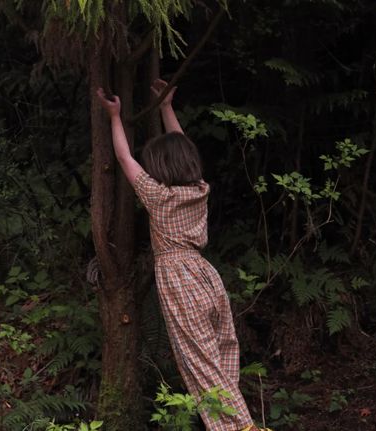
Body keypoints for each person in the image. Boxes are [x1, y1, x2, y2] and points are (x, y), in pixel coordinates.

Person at [96, 80, 268, 431]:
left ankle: (248, 429)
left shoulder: (158, 197)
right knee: (223, 356)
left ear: (159, 168)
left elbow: (124, 157)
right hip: (207, 276)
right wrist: (166, 107)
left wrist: (115, 116)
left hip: (179, 279)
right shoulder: (199, 190)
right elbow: (185, 148)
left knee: (203, 366)